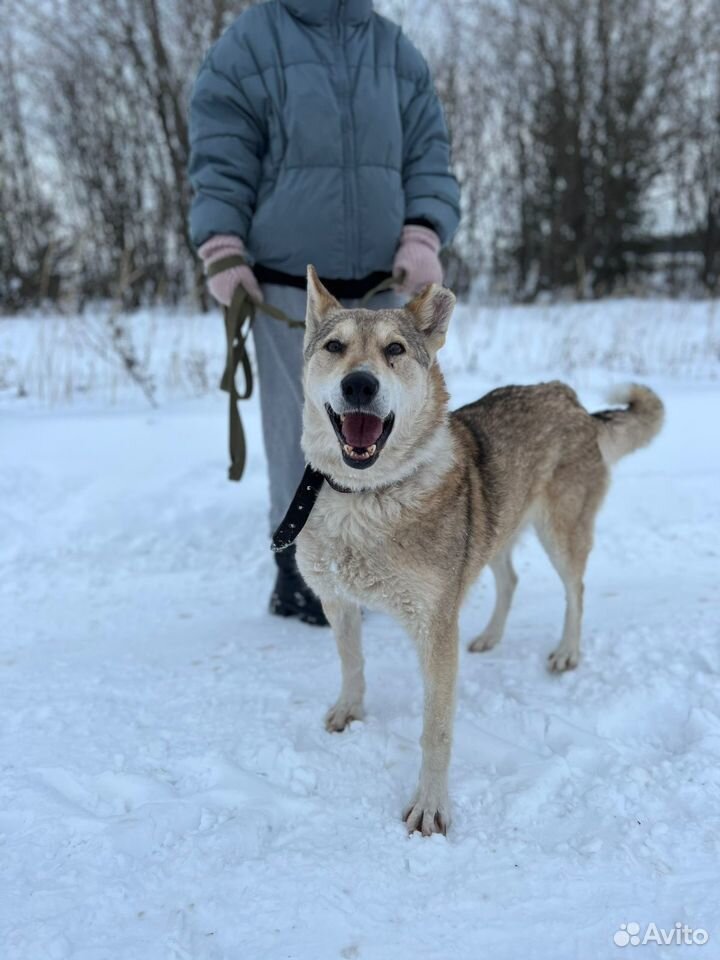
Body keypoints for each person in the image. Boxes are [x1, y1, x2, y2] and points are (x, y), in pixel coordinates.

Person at [188, 0, 460, 626]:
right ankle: (301, 569)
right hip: (289, 283)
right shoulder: (250, 44)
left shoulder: (394, 50)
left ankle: (380, 554)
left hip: (385, 284)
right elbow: (221, 152)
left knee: (387, 424)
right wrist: (222, 244)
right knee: (302, 429)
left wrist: (423, 232)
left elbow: (428, 154)